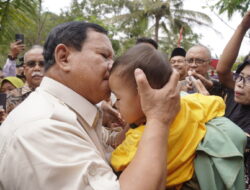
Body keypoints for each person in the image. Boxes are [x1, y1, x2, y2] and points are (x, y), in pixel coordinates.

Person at [0, 21, 181, 190]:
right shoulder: (43, 127)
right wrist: (158, 118)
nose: (113, 66)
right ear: (63, 58)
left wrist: (138, 116)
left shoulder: (74, 112)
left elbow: (111, 147)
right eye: (105, 56)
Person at [109, 44, 246, 189]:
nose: (115, 104)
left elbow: (117, 162)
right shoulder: (188, 103)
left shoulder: (139, 138)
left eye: (118, 98)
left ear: (143, 94)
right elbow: (216, 103)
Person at [216, 11, 250, 189]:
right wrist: (243, 26)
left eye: (249, 80)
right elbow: (222, 70)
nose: (240, 84)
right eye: (240, 76)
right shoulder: (236, 96)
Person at [6, 45, 44, 113]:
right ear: (24, 69)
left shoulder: (58, 96)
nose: (37, 68)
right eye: (31, 64)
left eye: (42, 64)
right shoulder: (9, 98)